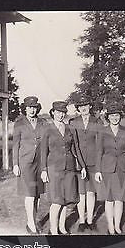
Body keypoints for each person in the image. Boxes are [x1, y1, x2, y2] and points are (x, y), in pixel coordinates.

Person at [95, 102, 125, 235]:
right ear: (108, 117)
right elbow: (99, 152)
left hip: (122, 168)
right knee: (109, 199)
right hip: (107, 169)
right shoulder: (102, 132)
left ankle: (117, 226)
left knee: (119, 198)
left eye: (117, 115)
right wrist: (98, 170)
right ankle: (110, 226)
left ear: (120, 117)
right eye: (112, 116)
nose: (114, 118)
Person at [40, 101, 87, 235]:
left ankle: (62, 228)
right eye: (58, 112)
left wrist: (83, 166)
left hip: (70, 167)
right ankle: (53, 231)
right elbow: (43, 151)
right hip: (54, 168)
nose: (60, 115)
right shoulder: (47, 129)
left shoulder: (70, 128)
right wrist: (43, 170)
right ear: (53, 113)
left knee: (66, 200)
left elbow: (76, 148)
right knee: (56, 201)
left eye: (63, 112)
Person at [12, 96, 46, 234]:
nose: (32, 110)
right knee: (30, 194)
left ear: (37, 108)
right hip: (25, 162)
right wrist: (15, 164)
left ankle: (32, 220)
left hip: (40, 162)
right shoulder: (19, 123)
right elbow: (15, 145)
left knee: (37, 194)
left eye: (34, 107)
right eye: (29, 107)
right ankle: (31, 224)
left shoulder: (42, 122)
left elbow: (45, 142)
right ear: (24, 109)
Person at [69, 96, 102, 232]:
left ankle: (90, 221)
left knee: (91, 192)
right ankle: (82, 221)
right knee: (82, 193)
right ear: (78, 109)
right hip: (79, 163)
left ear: (90, 107)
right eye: (81, 106)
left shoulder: (97, 121)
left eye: (86, 105)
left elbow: (100, 145)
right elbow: (73, 144)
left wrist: (99, 166)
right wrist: (79, 161)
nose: (83, 108)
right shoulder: (74, 122)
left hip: (94, 162)